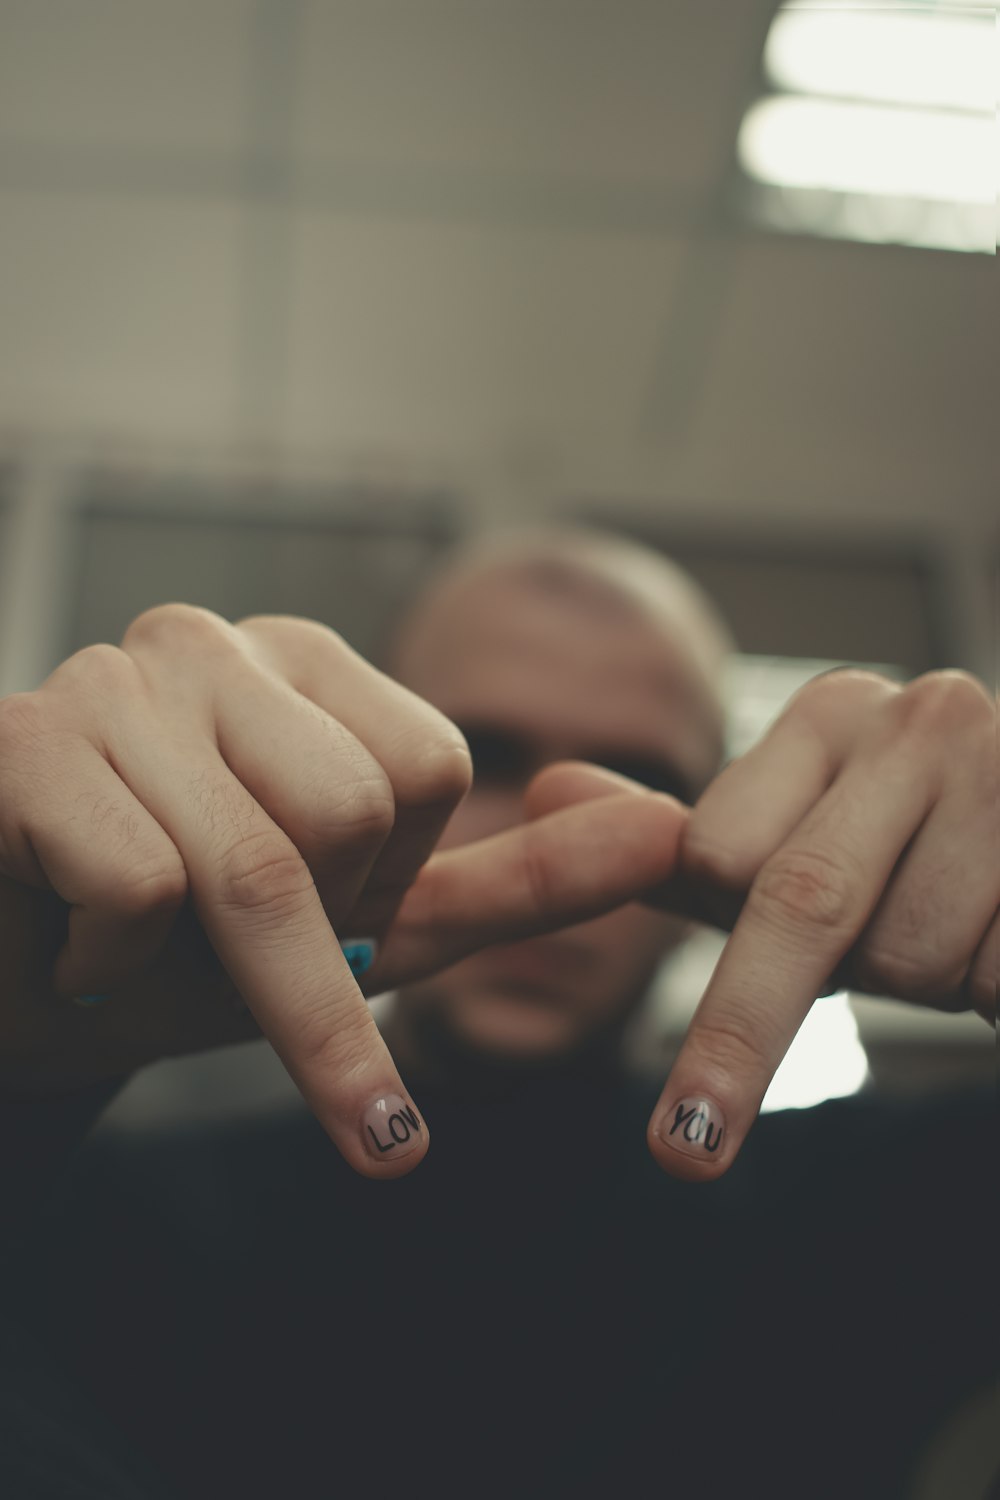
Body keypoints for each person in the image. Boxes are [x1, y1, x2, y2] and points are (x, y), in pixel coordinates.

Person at [0, 526, 995, 1500]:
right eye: (480, 755)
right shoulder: (103, 1220)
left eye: (641, 778)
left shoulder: (874, 1220)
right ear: (343, 774)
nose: (549, 821)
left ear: (737, 828)